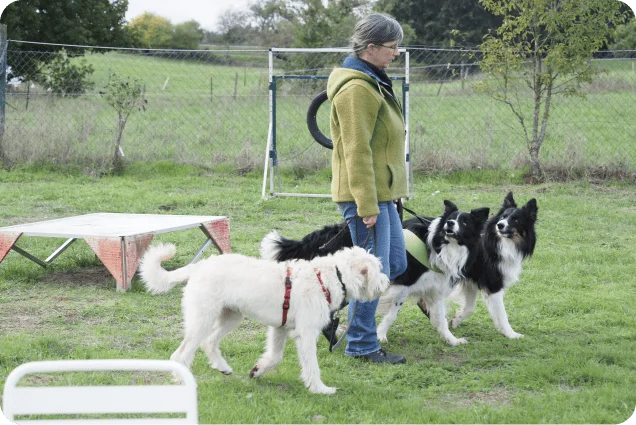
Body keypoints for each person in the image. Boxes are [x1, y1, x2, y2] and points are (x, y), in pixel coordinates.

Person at [326, 13, 408, 364]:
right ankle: (361, 344)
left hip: (382, 191)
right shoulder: (358, 88)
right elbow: (356, 150)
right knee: (373, 272)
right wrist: (366, 204)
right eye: (392, 48)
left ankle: (325, 310)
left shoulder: (373, 80)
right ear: (370, 48)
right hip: (365, 195)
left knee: (395, 263)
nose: (396, 53)